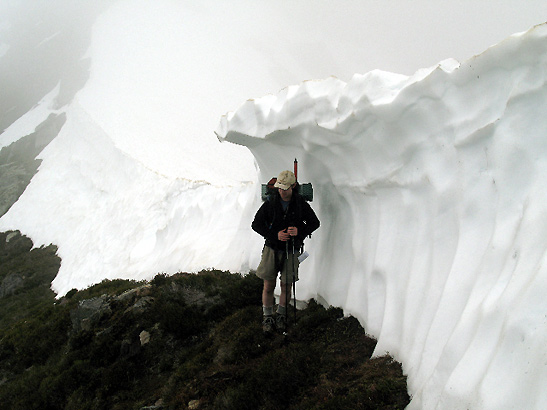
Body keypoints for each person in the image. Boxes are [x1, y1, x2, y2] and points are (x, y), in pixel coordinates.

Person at [251, 170, 320, 333]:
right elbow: (256, 224)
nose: (281, 191)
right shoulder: (270, 203)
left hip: (291, 250)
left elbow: (314, 223)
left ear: (293, 186)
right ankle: (268, 316)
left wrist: (300, 231)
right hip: (272, 249)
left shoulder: (301, 204)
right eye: (279, 187)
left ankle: (281, 314)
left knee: (286, 285)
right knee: (268, 285)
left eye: (285, 188)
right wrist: (275, 235)